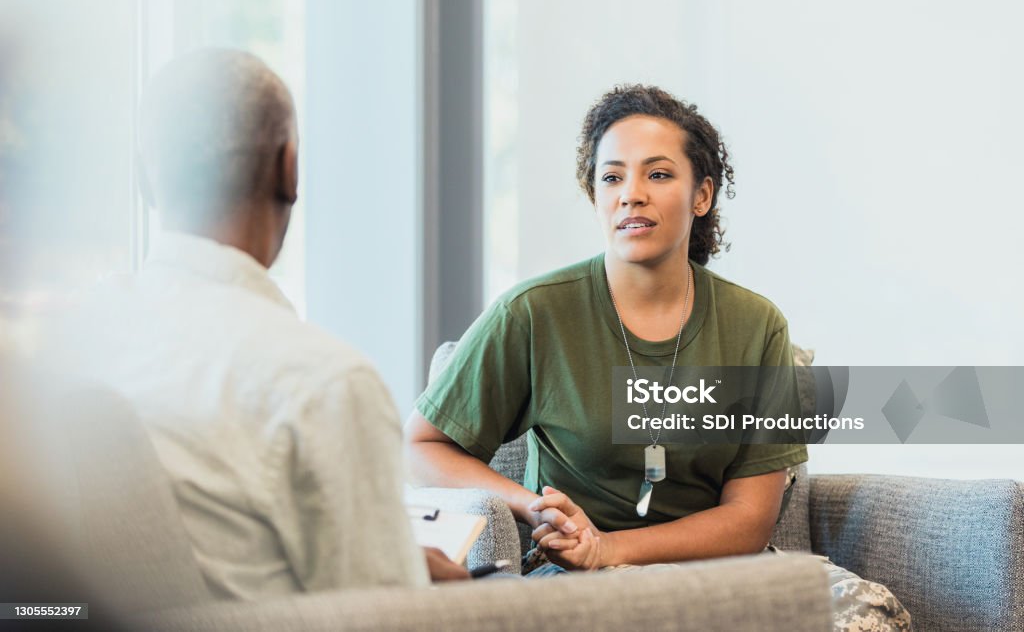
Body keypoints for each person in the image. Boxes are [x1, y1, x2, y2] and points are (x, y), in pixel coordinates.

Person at [405, 85, 911, 629]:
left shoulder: (756, 325)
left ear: (702, 195)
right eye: (612, 176)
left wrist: (613, 546)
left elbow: (749, 518)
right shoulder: (534, 313)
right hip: (581, 581)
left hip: (727, 572)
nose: (631, 194)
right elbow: (423, 445)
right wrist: (534, 508)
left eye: (659, 174)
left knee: (867, 615)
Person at [55, 48, 467, 600]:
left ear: (143, 180)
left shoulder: (67, 342)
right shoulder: (324, 383)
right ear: (288, 167)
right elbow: (384, 619)